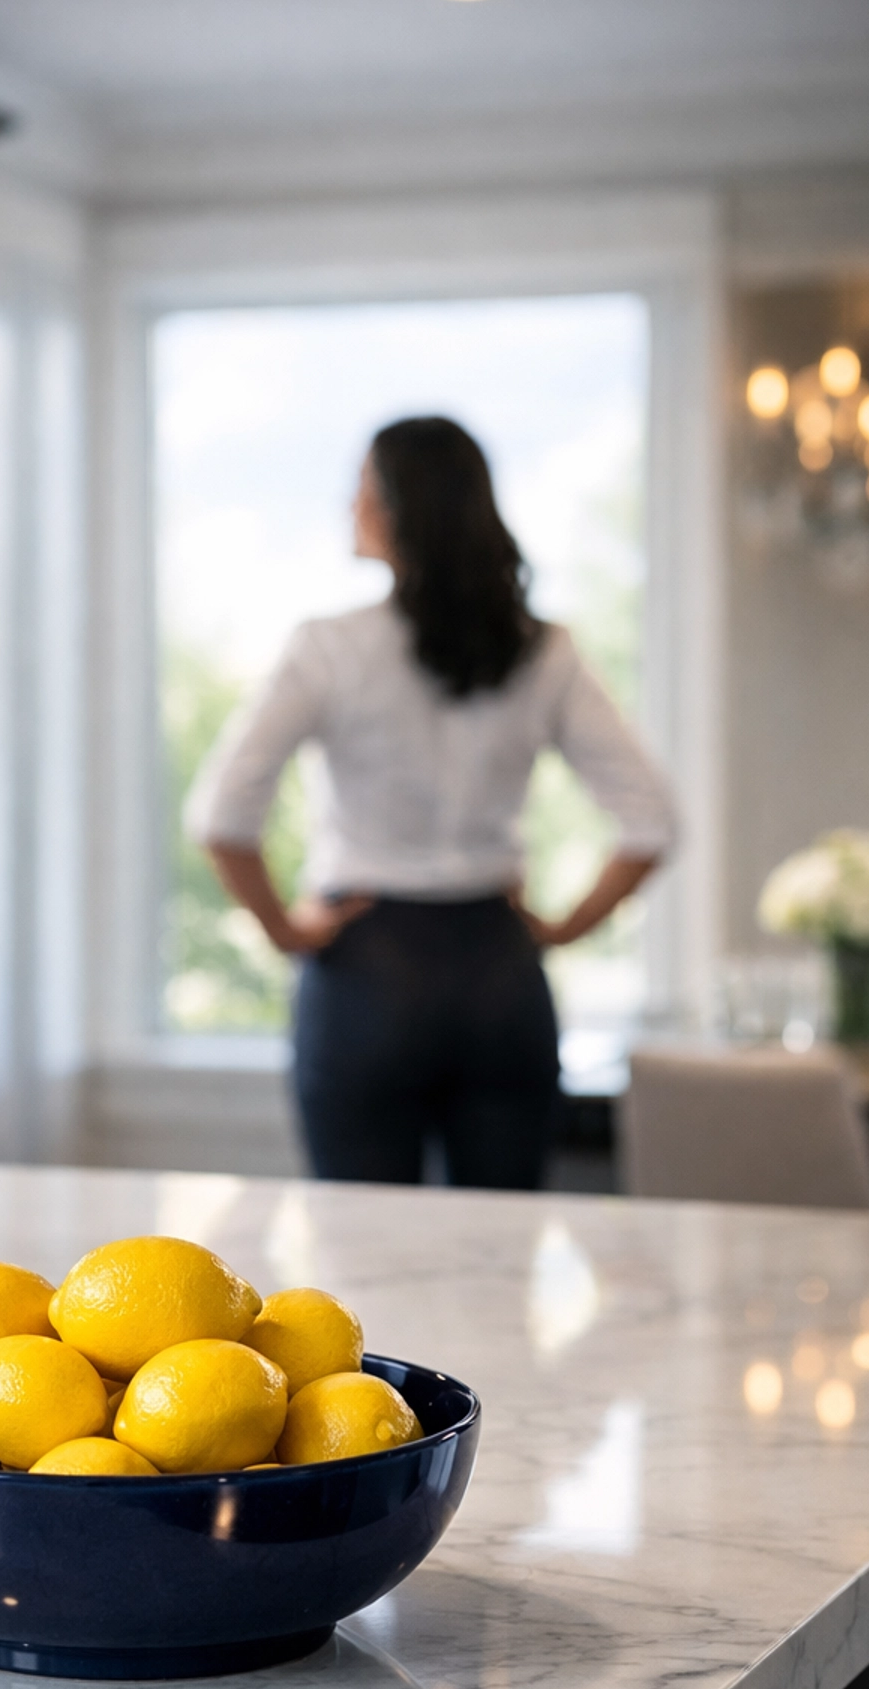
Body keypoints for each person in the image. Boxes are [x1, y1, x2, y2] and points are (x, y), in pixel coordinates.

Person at [185, 415, 677, 1189]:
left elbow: (221, 815)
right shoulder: (545, 649)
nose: (349, 508)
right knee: (499, 1255)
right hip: (500, 972)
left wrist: (284, 930)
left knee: (362, 1256)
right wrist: (561, 929)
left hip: (367, 971)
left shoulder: (329, 645)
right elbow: (654, 822)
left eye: (361, 491)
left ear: (396, 509)